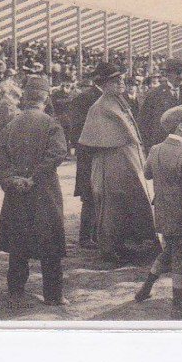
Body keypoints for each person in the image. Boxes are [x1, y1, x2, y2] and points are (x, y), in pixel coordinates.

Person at [0, 75, 69, 306]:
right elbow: (56, 154)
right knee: (50, 243)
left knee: (18, 243)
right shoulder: (51, 123)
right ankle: (53, 295)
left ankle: (15, 291)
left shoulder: (11, 124)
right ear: (45, 98)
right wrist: (34, 178)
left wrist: (11, 179)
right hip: (44, 192)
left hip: (16, 193)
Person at [77, 61, 155, 263]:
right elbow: (96, 140)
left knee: (129, 201)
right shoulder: (100, 107)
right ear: (105, 84)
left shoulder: (119, 102)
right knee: (112, 205)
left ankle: (123, 243)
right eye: (116, 80)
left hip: (127, 161)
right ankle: (109, 248)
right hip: (111, 163)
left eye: (121, 79)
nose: (121, 83)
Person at [134, 105, 182, 319]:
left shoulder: (155, 150)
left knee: (168, 251)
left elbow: (147, 174)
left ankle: (144, 290)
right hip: (181, 216)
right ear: (180, 126)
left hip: (162, 213)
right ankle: (177, 306)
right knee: (179, 257)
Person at [67, 70, 102, 249]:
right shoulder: (85, 98)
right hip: (89, 153)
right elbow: (77, 130)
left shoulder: (106, 97)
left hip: (99, 153)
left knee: (99, 194)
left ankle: (96, 234)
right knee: (90, 195)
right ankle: (86, 236)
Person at [137, 58, 182, 151]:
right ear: (168, 74)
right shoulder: (154, 95)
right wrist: (149, 147)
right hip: (162, 147)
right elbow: (144, 123)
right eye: (178, 73)